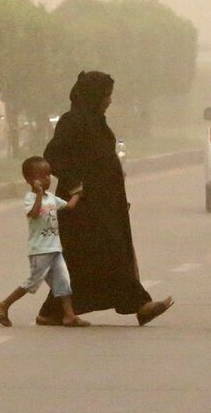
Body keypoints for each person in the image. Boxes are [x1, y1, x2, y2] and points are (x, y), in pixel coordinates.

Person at [35, 71, 174, 326]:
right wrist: (76, 183)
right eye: (106, 95)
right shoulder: (73, 121)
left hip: (105, 204)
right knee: (105, 255)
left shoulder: (97, 122)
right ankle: (140, 305)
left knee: (97, 258)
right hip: (84, 207)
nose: (109, 101)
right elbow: (52, 156)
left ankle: (53, 311)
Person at [0, 156, 91, 328]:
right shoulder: (30, 198)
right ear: (30, 180)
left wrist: (77, 194)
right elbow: (34, 213)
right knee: (33, 282)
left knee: (63, 282)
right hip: (40, 250)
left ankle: (69, 316)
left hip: (55, 249)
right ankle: (3, 305)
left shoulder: (51, 198)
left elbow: (68, 207)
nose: (47, 179)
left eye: (49, 175)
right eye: (43, 176)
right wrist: (38, 194)